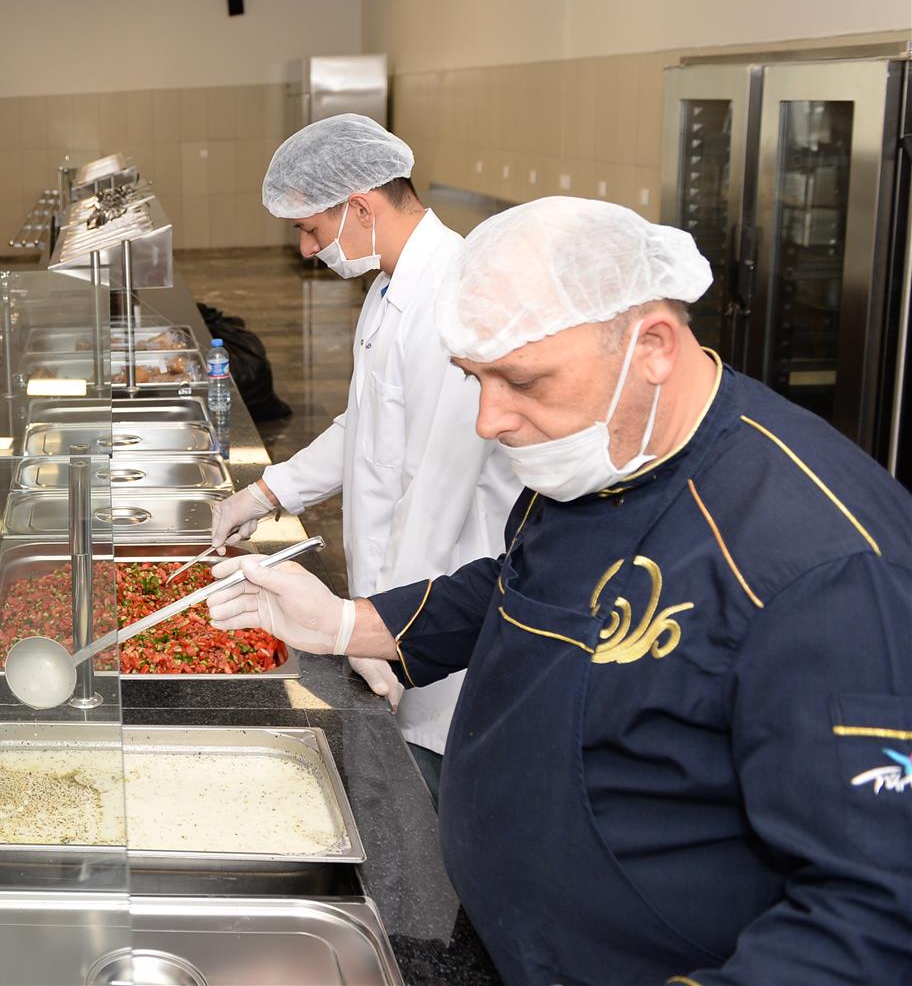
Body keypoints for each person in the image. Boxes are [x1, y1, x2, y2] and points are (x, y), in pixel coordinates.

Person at [204, 196, 912, 985]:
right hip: (513, 943)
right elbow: (522, 588)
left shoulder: (828, 565)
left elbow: (872, 915)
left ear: (652, 346)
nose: (489, 420)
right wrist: (348, 622)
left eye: (522, 381)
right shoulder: (603, 448)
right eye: (474, 380)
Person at [207, 115, 519, 801]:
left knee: (434, 793)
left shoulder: (449, 300)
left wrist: (383, 634)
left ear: (360, 206)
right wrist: (267, 493)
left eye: (312, 229)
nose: (306, 247)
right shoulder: (389, 286)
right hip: (389, 594)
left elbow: (436, 495)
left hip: (438, 594)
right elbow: (365, 423)